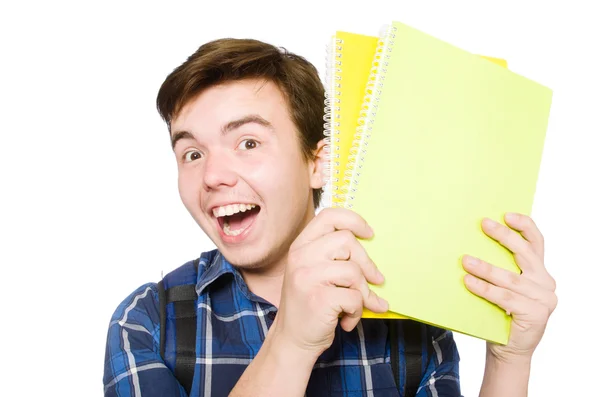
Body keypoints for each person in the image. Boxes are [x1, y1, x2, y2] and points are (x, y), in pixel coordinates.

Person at [103, 38, 557, 397]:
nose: (214, 176)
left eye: (248, 143)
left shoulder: (411, 325)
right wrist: (291, 344)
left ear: (318, 162)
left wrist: (509, 360)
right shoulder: (146, 323)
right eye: (192, 153)